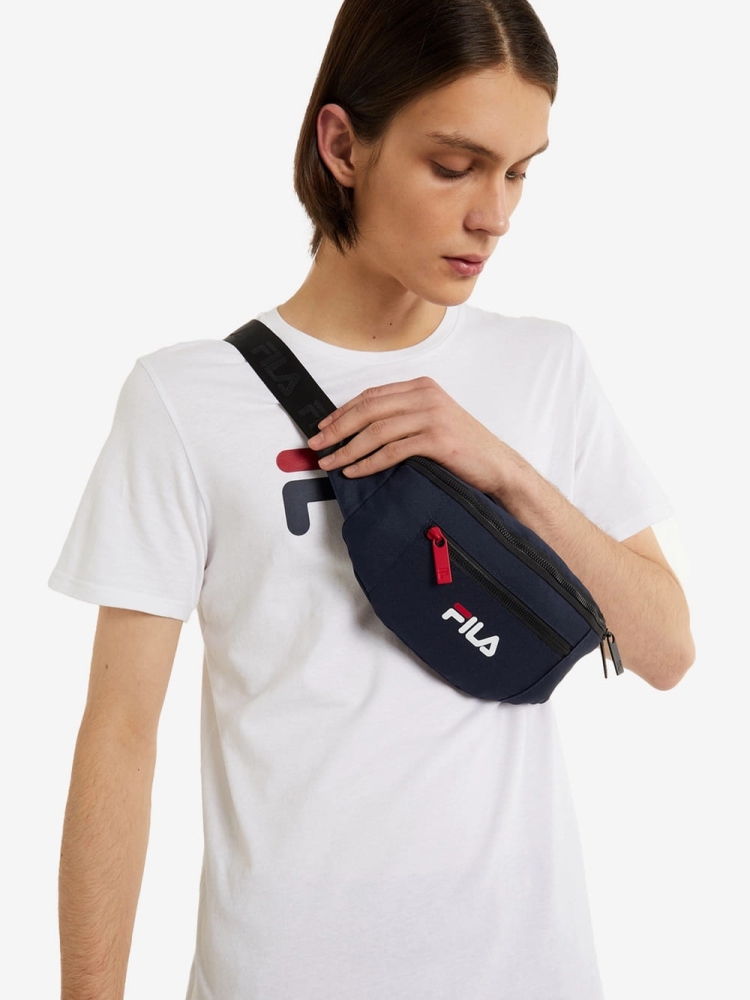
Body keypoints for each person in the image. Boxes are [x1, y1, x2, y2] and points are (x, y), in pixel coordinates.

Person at [49, 0, 695, 997]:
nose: (495, 215)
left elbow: (665, 649)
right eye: (455, 165)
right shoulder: (184, 400)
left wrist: (503, 470)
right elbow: (120, 736)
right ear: (344, 145)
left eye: (519, 172)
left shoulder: (545, 366)